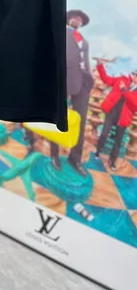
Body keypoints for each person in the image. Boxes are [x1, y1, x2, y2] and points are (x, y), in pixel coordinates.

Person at [50, 10, 93, 176]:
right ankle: (54, 154)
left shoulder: (85, 41)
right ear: (69, 19)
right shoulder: (60, 33)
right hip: (63, 80)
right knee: (57, 117)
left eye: (80, 19)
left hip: (82, 84)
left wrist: (89, 79)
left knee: (80, 121)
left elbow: (85, 61)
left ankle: (75, 158)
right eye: (75, 17)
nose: (78, 20)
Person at [95, 64, 137, 170]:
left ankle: (112, 161)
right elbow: (106, 79)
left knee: (118, 141)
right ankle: (98, 151)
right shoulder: (122, 80)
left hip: (124, 117)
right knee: (104, 133)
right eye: (134, 74)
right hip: (112, 112)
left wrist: (124, 89)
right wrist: (100, 66)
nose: (134, 77)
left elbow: (134, 102)